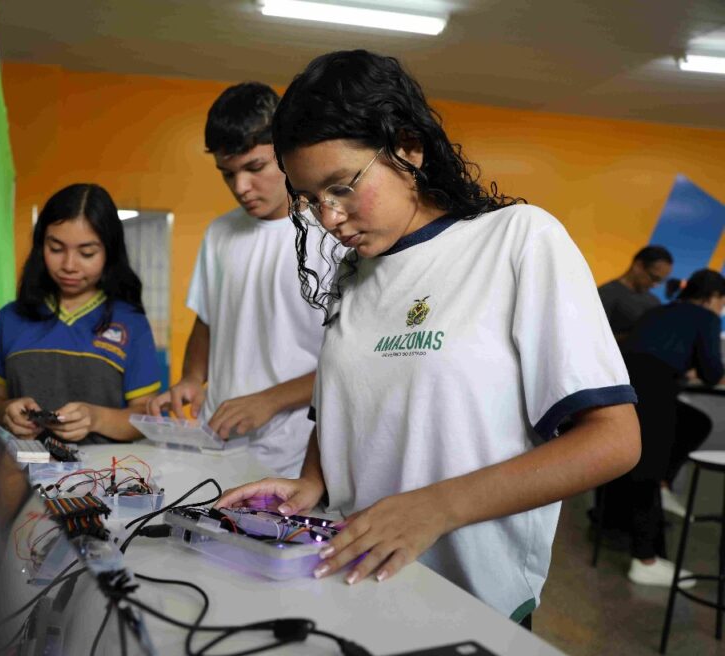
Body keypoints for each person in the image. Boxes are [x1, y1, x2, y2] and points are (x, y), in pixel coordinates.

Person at [217, 50, 641, 625]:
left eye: (341, 187)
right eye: (311, 199)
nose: (329, 218)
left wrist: (437, 508)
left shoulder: (518, 242)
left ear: (408, 148)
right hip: (356, 579)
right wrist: (311, 483)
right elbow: (341, 409)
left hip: (472, 602)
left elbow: (613, 440)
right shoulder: (353, 274)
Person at [147, 82, 330, 477]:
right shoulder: (219, 233)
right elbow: (208, 319)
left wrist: (269, 400)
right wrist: (193, 378)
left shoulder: (332, 234)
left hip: (298, 453)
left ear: (285, 150)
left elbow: (353, 360)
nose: (240, 188)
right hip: (219, 441)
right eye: (227, 174)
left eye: (254, 168)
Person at [0, 183, 162, 444]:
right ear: (40, 245)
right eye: (56, 248)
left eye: (87, 253)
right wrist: (5, 412)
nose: (69, 265)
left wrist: (95, 417)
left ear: (109, 253)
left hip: (104, 476)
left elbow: (145, 416)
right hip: (20, 472)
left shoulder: (130, 323)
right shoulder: (10, 318)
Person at [605, 268, 725, 586]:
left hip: (625, 382)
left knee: (693, 422)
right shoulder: (706, 318)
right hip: (654, 385)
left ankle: (661, 487)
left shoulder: (661, 310)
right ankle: (645, 559)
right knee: (649, 466)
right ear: (713, 297)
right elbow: (713, 371)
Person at [598, 246, 673, 342]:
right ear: (638, 266)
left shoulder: (654, 302)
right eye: (654, 278)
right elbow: (595, 339)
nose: (655, 285)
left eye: (661, 281)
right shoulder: (607, 293)